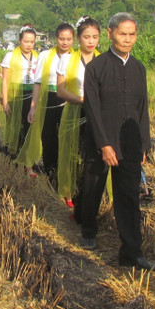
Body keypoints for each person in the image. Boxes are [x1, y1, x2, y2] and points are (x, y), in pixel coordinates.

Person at [77, 12, 154, 270]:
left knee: (129, 197)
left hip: (130, 144)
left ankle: (132, 251)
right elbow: (93, 109)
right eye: (123, 33)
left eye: (132, 34)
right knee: (93, 187)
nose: (128, 39)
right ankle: (88, 229)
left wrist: (144, 143)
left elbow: (142, 108)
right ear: (110, 34)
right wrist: (104, 144)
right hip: (101, 141)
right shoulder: (96, 67)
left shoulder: (139, 68)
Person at [17, 22, 75, 184]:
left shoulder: (75, 57)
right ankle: (51, 170)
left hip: (69, 101)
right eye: (62, 39)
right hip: (48, 99)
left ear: (74, 39)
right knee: (48, 136)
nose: (65, 42)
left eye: (69, 39)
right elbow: (37, 82)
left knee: (66, 137)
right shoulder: (45, 56)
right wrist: (33, 107)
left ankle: (65, 170)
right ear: (56, 38)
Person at [56, 17, 101, 208]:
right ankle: (69, 191)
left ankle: (91, 193)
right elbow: (61, 90)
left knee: (93, 155)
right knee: (72, 152)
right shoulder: (67, 59)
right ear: (78, 38)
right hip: (75, 110)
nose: (91, 41)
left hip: (97, 114)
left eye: (95, 37)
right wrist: (83, 100)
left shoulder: (103, 60)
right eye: (86, 37)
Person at [0, 26, 38, 156]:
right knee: (15, 125)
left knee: (29, 126)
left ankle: (26, 155)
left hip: (32, 95)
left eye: (32, 42)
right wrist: (5, 102)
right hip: (16, 95)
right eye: (26, 41)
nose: (29, 45)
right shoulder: (10, 56)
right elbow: (5, 80)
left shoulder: (38, 57)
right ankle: (12, 154)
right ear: (19, 40)